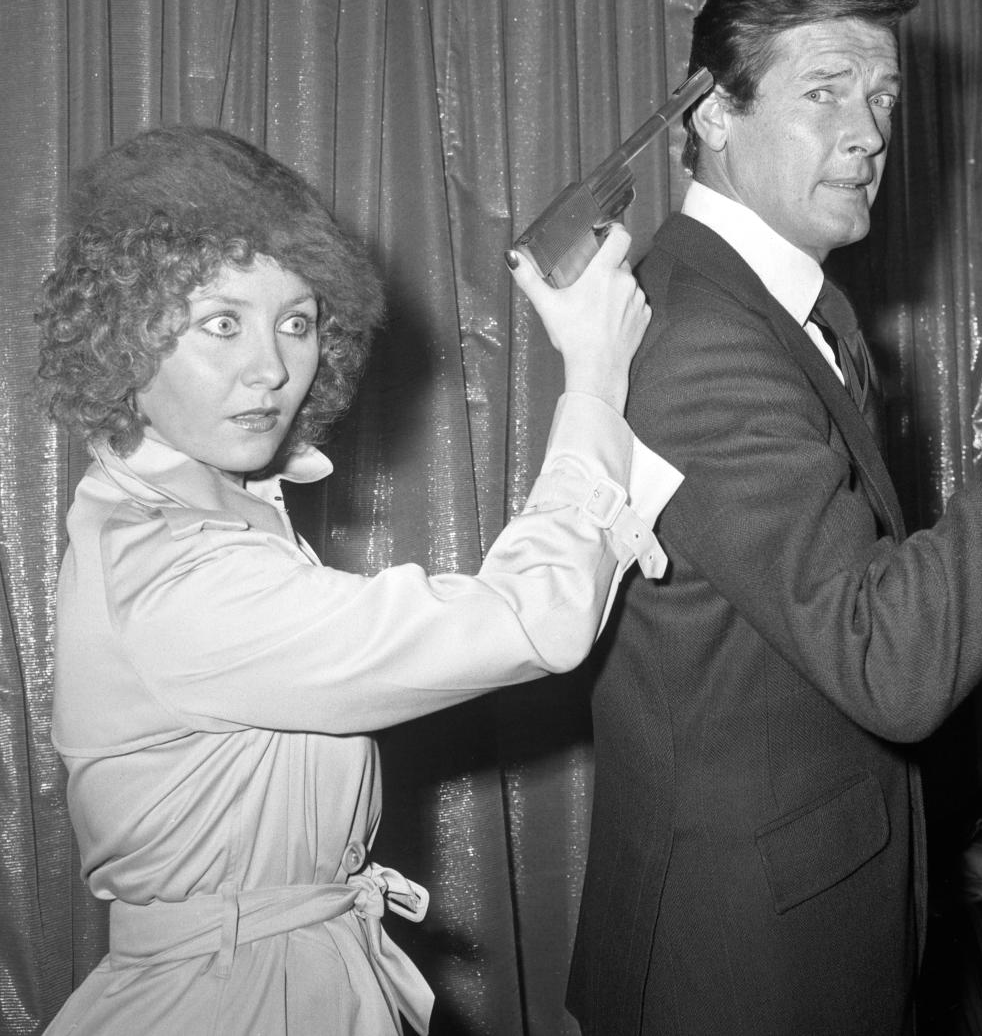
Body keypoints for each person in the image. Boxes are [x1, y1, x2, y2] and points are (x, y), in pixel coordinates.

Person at [567, 0, 982, 1035]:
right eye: (825, 91)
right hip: (742, 963)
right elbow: (886, 658)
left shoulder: (779, 312)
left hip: (808, 922)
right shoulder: (703, 336)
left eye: (883, 95)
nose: (869, 130)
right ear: (712, 112)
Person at [36, 125, 679, 1035]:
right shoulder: (173, 568)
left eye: (295, 322)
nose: (270, 367)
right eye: (222, 322)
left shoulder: (197, 511)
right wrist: (596, 376)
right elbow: (536, 623)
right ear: (124, 331)